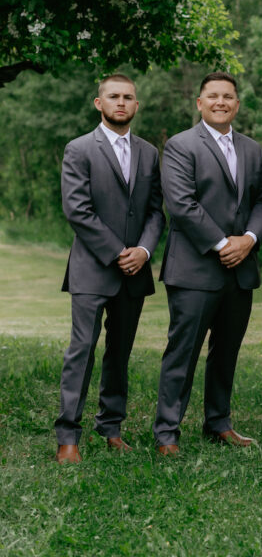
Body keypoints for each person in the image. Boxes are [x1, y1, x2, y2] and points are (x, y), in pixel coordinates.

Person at [153, 73, 262, 455]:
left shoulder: (252, 149)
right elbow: (182, 205)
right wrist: (223, 244)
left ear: (237, 104)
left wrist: (249, 240)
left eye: (229, 97)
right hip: (195, 269)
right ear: (200, 103)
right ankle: (167, 431)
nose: (221, 102)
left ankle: (218, 423)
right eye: (213, 96)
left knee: (227, 351)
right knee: (182, 351)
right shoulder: (181, 146)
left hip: (240, 269)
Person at [55, 73, 165, 464]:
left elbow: (155, 211)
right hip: (93, 268)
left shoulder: (150, 153)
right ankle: (68, 436)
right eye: (114, 96)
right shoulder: (79, 149)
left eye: (128, 97)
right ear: (98, 103)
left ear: (136, 106)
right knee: (81, 351)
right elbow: (77, 210)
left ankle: (111, 427)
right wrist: (119, 251)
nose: (121, 102)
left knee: (120, 353)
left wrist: (145, 251)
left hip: (136, 271)